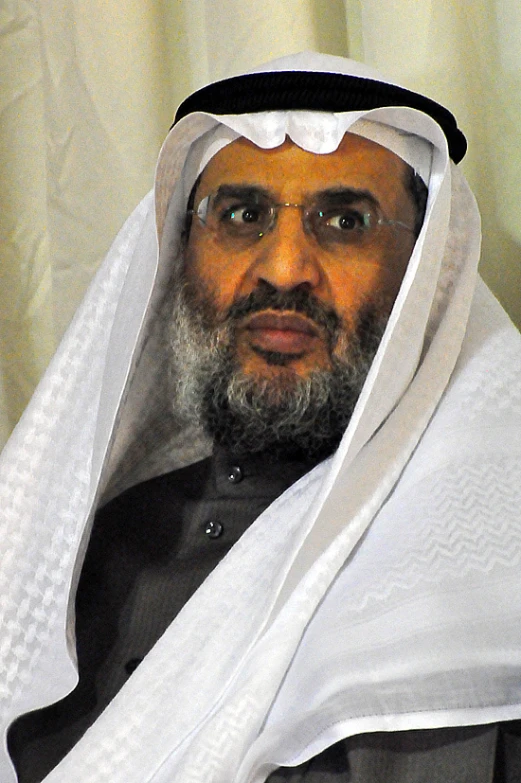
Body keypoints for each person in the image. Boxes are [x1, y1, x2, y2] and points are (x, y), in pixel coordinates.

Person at [1, 51, 521, 783]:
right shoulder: (79, 547)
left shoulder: (493, 574)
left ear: (425, 271)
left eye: (344, 220)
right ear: (183, 250)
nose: (283, 268)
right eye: (241, 215)